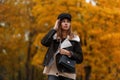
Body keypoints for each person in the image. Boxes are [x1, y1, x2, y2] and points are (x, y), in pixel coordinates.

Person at [41, 13, 83, 80]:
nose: (66, 23)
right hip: (53, 71)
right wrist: (54, 29)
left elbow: (80, 58)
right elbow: (44, 42)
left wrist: (69, 53)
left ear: (70, 24)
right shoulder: (54, 37)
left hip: (67, 72)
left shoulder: (74, 39)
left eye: (68, 22)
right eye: (63, 21)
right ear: (59, 23)